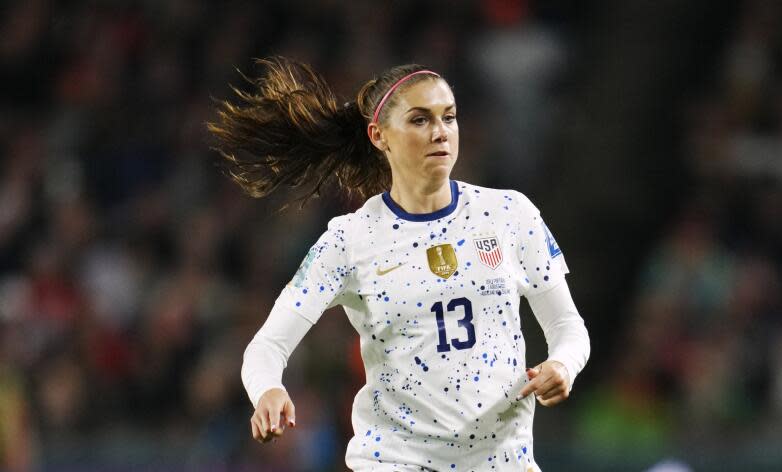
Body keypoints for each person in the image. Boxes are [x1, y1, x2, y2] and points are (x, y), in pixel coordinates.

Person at [208, 57, 590, 471]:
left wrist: (562, 364)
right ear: (379, 136)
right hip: (396, 462)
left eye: (450, 117)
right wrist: (268, 390)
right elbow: (267, 346)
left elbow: (568, 327)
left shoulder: (510, 215)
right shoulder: (350, 240)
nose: (441, 132)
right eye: (420, 120)